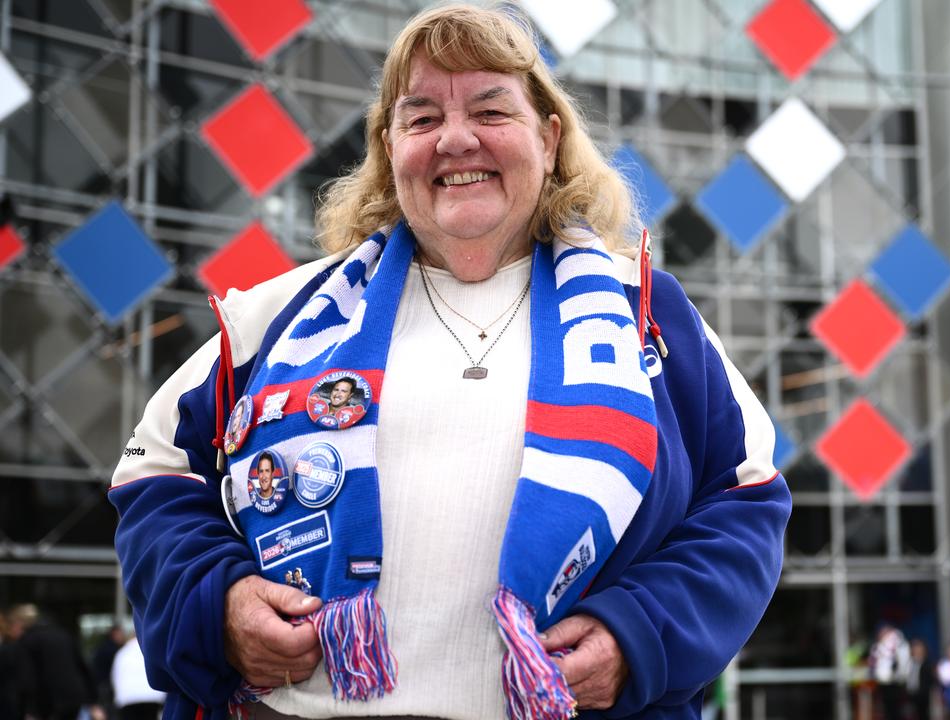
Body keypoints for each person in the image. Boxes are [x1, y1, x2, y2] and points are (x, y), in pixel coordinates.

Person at [108, 5, 789, 720]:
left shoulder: (647, 314)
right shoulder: (277, 317)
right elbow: (153, 474)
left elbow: (746, 504)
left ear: (549, 138)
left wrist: (639, 634)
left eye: (491, 110)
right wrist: (217, 603)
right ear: (390, 146)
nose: (456, 140)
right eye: (422, 118)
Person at [6, 605, 99, 720]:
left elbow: (27, 680)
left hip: (49, 702)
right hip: (74, 699)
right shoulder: (63, 635)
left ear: (19, 624)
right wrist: (93, 701)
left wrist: (27, 710)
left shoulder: (27, 641)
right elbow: (83, 668)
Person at [110, 635, 165, 720]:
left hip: (127, 698)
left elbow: (115, 677)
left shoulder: (121, 653)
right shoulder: (152, 651)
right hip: (152, 696)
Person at [870, 624, 910, 720]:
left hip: (894, 682)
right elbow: (874, 661)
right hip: (884, 682)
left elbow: (900, 662)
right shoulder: (879, 646)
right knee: (887, 708)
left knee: (895, 709)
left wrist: (896, 674)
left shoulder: (898, 644)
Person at [90, 626, 125, 720]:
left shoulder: (102, 647)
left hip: (101, 685)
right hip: (107, 685)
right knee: (111, 712)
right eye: (120, 634)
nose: (123, 637)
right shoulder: (114, 650)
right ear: (114, 634)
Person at [904, 639, 935, 720]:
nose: (917, 650)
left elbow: (931, 680)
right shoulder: (909, 663)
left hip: (922, 695)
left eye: (919, 648)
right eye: (915, 648)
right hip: (910, 694)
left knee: (923, 714)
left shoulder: (927, 663)